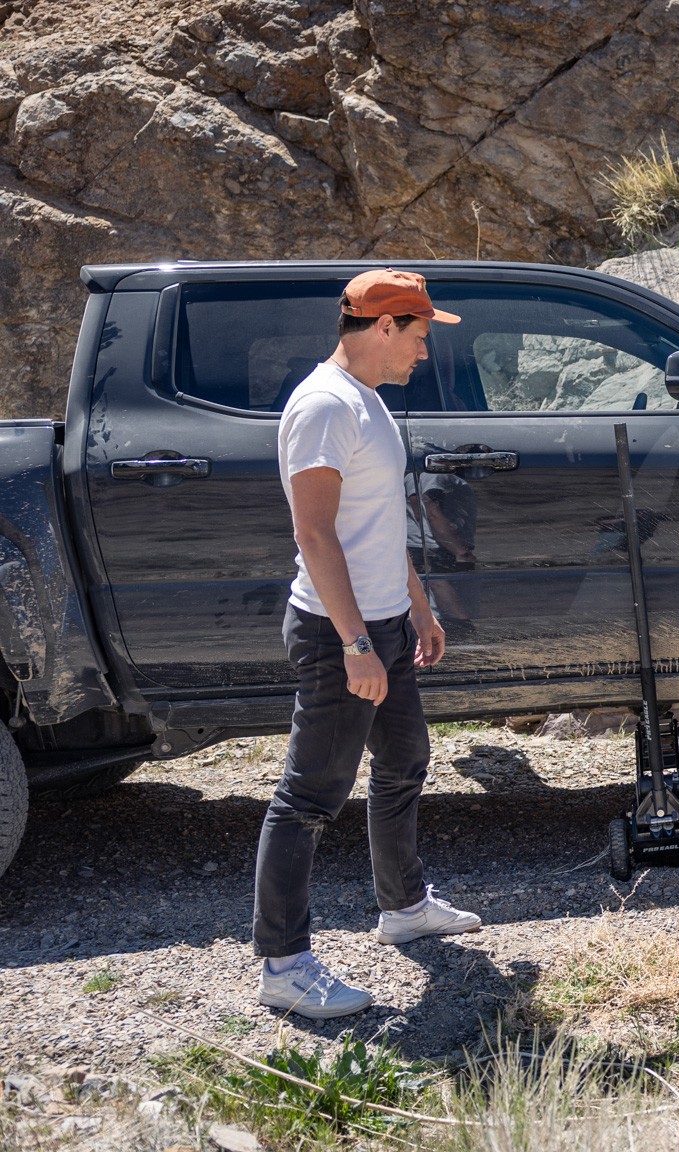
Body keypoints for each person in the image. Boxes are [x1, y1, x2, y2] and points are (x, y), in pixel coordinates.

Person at [251, 270, 483, 1020]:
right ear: (383, 327)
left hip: (382, 625)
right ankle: (284, 965)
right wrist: (353, 641)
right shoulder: (323, 407)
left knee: (406, 759)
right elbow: (313, 533)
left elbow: (378, 525)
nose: (423, 352)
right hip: (334, 630)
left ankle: (404, 906)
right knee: (309, 797)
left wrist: (417, 610)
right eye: (418, 337)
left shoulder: (369, 401)